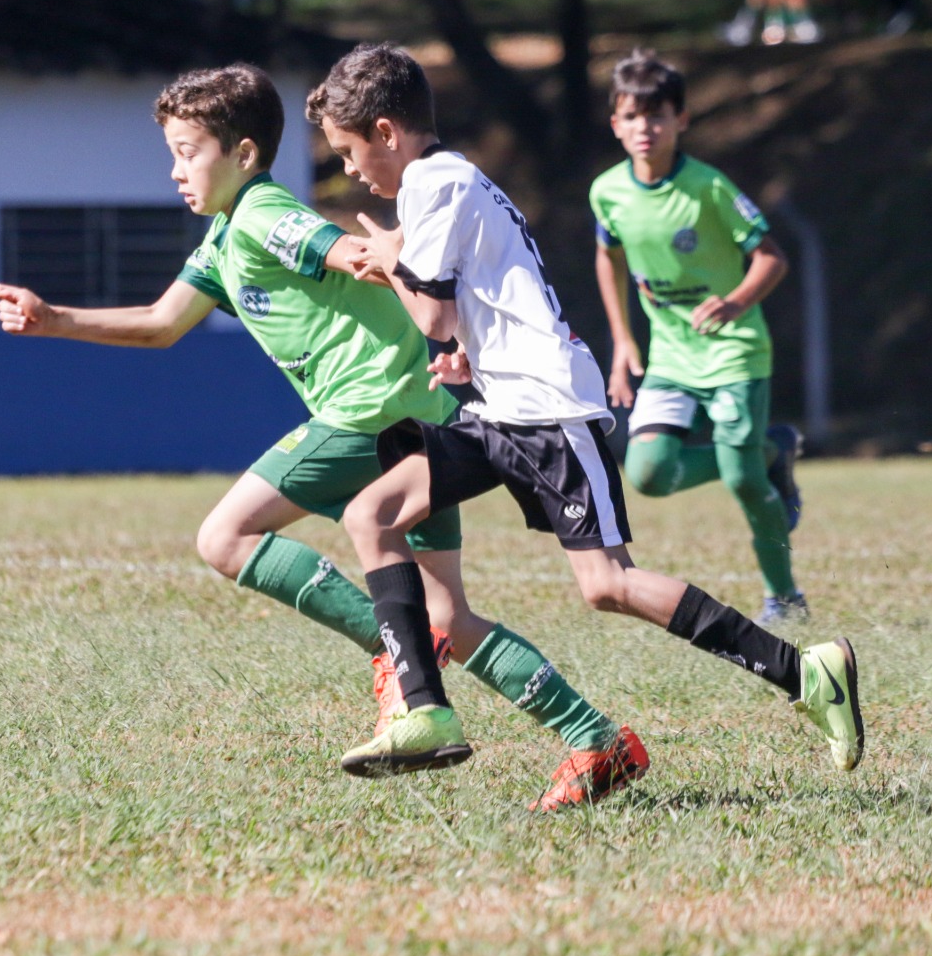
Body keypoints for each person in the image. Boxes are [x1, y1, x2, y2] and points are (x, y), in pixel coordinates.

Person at [0, 63, 639, 810]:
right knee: (448, 615)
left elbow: (350, 253)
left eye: (188, 151)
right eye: (171, 153)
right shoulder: (225, 238)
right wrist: (53, 318)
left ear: (244, 156)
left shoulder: (264, 212)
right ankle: (595, 736)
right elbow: (163, 324)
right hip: (417, 417)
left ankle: (397, 657)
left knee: (224, 536)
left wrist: (392, 259)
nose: (175, 171)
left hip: (373, 415)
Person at [307, 43, 862, 780]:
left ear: (385, 132)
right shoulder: (446, 181)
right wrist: (473, 351)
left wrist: (389, 265)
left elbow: (433, 315)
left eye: (348, 151)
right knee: (371, 515)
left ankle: (804, 671)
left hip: (548, 411)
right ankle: (422, 707)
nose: (347, 170)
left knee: (607, 585)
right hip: (503, 404)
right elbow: (488, 297)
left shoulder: (434, 183)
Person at [590, 50, 809, 627]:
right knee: (648, 473)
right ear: (615, 123)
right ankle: (772, 451)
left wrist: (736, 301)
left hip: (737, 353)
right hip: (671, 357)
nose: (645, 128)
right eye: (632, 117)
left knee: (743, 482)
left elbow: (772, 257)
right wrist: (621, 340)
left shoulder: (708, 187)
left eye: (657, 116)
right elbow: (607, 257)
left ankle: (784, 597)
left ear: (681, 119)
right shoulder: (608, 191)